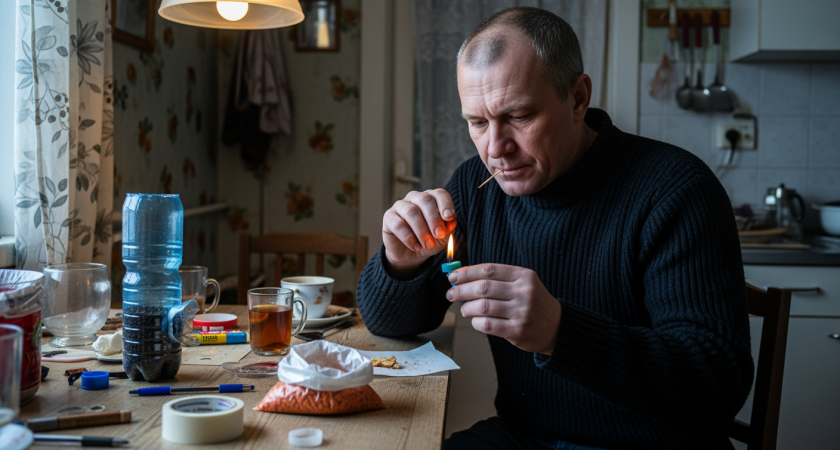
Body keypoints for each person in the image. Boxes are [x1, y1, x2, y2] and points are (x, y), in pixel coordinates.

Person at [357, 7, 753, 450]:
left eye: (520, 116)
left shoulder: (675, 190)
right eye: (478, 123)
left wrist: (560, 332)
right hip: (525, 438)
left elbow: (719, 383)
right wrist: (400, 264)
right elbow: (389, 324)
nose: (496, 149)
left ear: (578, 98)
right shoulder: (476, 187)